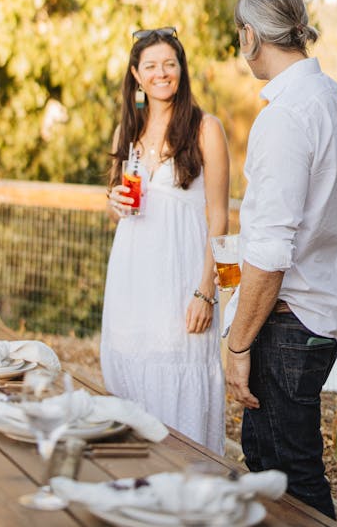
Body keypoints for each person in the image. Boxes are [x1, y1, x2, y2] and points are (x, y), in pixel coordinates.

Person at [225, 0, 337, 519]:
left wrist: (238, 344)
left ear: (250, 37)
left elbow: (267, 254)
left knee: (293, 480)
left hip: (287, 321)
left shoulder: (284, 117)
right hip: (323, 314)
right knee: (269, 466)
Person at [100, 26, 230, 453]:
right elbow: (115, 204)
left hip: (182, 281)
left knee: (180, 379)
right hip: (132, 277)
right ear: (136, 75)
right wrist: (114, 202)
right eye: (151, 66)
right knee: (132, 376)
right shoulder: (127, 133)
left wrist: (205, 291)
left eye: (169, 64)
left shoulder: (205, 129)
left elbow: (218, 217)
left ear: (181, 69)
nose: (161, 73)